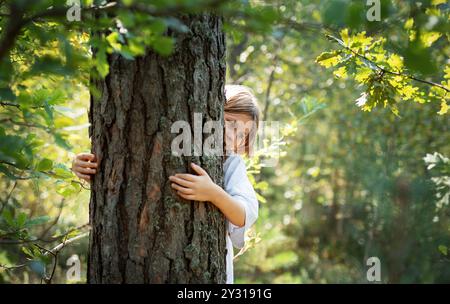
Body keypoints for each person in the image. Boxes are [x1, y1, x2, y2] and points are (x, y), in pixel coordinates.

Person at [72, 84, 261, 283]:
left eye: (242, 135)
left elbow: (244, 215)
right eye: (230, 123)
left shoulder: (231, 163)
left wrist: (213, 193)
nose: (233, 136)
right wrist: (83, 166)